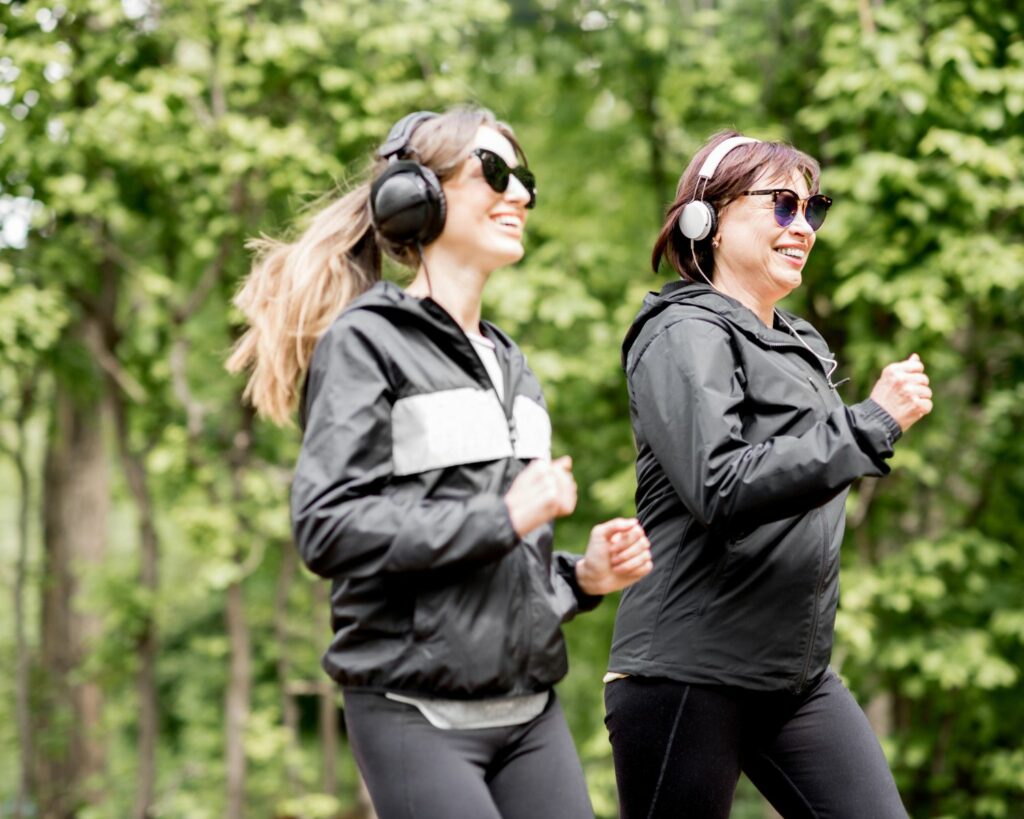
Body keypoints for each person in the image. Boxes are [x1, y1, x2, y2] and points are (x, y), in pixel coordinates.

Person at [226, 106, 653, 819]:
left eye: (525, 180)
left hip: (528, 712)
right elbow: (327, 527)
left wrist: (581, 576)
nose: (518, 193)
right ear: (416, 194)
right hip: (411, 713)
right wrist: (506, 513)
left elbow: (497, 570)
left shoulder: (513, 364)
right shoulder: (367, 343)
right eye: (493, 171)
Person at [603, 131, 932, 818]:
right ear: (710, 219)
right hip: (687, 672)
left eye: (814, 209)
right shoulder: (683, 330)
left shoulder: (800, 343)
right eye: (783, 205)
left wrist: (860, 426)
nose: (803, 226)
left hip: (795, 679)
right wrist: (869, 421)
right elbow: (719, 484)